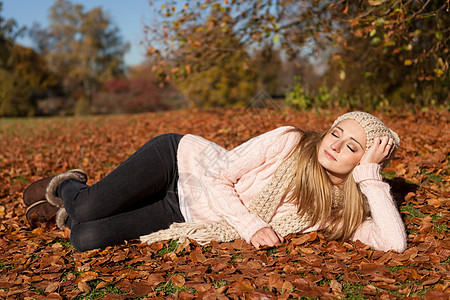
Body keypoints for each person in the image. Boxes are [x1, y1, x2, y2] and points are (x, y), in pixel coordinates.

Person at [23, 111, 407, 253]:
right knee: (88, 207)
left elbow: (392, 243)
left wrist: (370, 177)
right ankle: (69, 186)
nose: (336, 145)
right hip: (178, 165)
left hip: (184, 212)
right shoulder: (290, 140)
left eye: (352, 146)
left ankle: (68, 208)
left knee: (83, 238)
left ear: (362, 159)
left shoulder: (336, 209)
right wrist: (252, 225)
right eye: (336, 132)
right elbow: (217, 176)